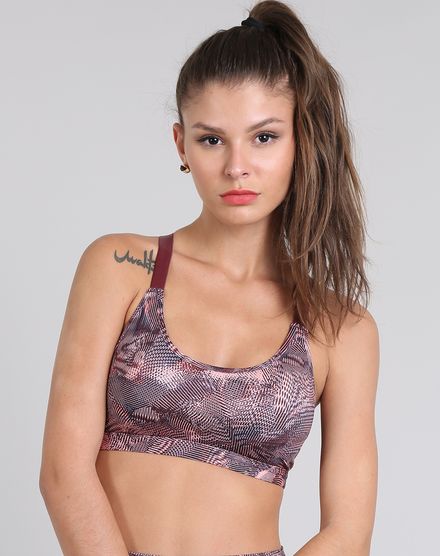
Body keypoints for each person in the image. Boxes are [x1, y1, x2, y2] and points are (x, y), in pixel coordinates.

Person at [39, 1, 379, 555]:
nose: (236, 166)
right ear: (181, 145)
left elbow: (348, 531)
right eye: (212, 139)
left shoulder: (340, 327)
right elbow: (62, 471)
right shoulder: (121, 269)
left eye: (264, 137)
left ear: (301, 140)